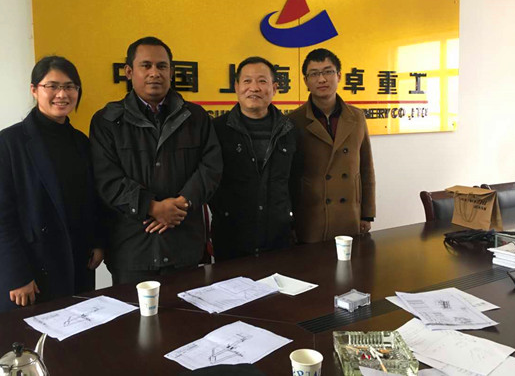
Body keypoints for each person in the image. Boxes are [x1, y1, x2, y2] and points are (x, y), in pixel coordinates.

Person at [89, 36, 222, 285]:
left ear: (171, 72)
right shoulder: (107, 121)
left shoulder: (195, 117)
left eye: (162, 66)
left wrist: (182, 203)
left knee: (188, 310)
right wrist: (152, 207)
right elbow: (106, 178)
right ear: (129, 72)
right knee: (133, 312)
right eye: (146, 65)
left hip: (184, 246)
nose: (155, 73)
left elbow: (211, 168)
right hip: (132, 250)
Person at [0, 56, 106, 314]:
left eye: (70, 87)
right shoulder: (9, 143)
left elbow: (91, 201)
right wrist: (17, 275)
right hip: (30, 272)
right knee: (27, 337)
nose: (62, 94)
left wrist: (98, 241)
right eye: (52, 86)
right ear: (34, 90)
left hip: (75, 264)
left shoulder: (81, 143)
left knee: (76, 333)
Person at [210, 57, 298, 260]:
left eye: (262, 81)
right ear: (236, 87)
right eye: (247, 81)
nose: (254, 88)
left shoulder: (290, 130)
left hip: (279, 238)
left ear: (274, 88)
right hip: (231, 239)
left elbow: (296, 182)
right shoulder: (217, 130)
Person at [289, 48, 375, 242]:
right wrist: (290, 221)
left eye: (328, 72)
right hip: (311, 219)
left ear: (339, 76)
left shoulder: (357, 117)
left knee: (352, 261)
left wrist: (367, 214)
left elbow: (366, 168)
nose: (322, 79)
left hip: (350, 216)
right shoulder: (294, 121)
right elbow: (289, 176)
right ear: (306, 81)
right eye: (314, 74)